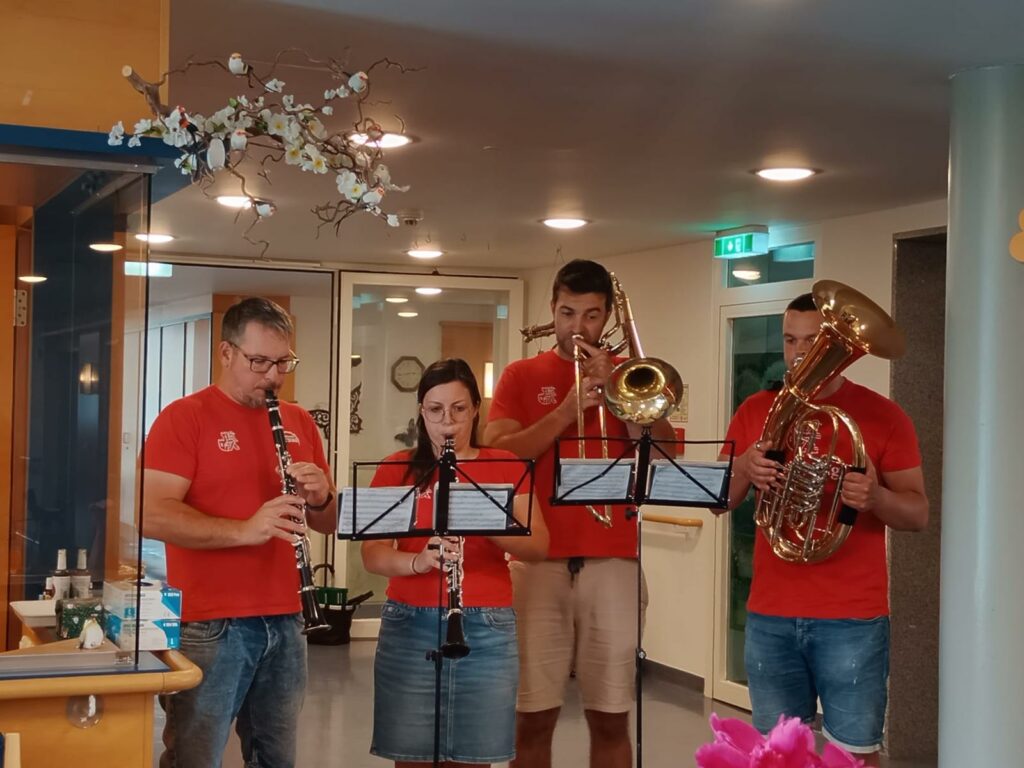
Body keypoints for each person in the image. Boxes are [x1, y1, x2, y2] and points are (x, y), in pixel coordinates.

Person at [719, 292, 928, 767]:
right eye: (790, 340)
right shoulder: (755, 410)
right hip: (770, 614)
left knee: (854, 755)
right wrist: (745, 468)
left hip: (851, 617)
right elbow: (721, 501)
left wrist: (876, 498)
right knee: (776, 755)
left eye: (812, 342)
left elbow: (918, 514)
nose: (798, 354)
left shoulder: (884, 415)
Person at [483, 259, 674, 768]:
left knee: (611, 717)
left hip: (614, 561)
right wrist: (567, 411)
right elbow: (500, 453)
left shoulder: (630, 375)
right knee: (533, 717)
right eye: (567, 313)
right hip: (536, 563)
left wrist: (619, 395)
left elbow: (665, 454)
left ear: (607, 316)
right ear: (552, 309)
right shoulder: (522, 375)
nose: (577, 328)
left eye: (591, 316)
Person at [143, 297, 337, 768]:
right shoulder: (184, 417)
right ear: (226, 353)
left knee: (276, 758)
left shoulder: (299, 422)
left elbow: (327, 523)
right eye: (259, 362)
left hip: (288, 619)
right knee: (196, 758)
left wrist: (321, 497)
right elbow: (152, 514)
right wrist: (245, 530)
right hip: (211, 624)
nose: (273, 376)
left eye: (283, 363)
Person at [362, 358, 549, 767]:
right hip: (408, 622)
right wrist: (418, 561)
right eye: (435, 410)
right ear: (421, 411)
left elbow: (538, 546)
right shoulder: (396, 468)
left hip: (486, 623)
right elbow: (372, 554)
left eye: (459, 409)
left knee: (473, 755)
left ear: (476, 409)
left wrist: (483, 517)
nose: (447, 421)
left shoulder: (505, 464)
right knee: (410, 756)